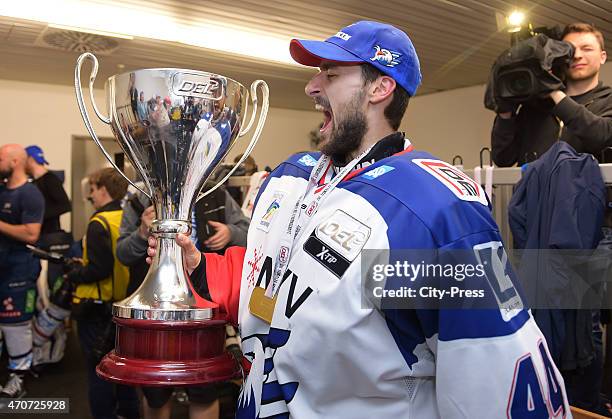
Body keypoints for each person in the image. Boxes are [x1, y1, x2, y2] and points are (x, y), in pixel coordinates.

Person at [146, 21, 573, 417]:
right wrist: (197, 269)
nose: (312, 86)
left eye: (331, 74)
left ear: (381, 88)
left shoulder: (430, 208)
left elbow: (491, 367)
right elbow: (285, 288)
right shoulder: (290, 178)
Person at [116, 183, 248, 419]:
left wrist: (231, 232)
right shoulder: (139, 198)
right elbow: (122, 254)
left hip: (205, 307)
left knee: (205, 389)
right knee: (155, 393)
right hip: (154, 310)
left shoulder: (215, 192)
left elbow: (248, 232)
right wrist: (142, 234)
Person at [65, 167, 139, 419]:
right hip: (124, 306)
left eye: (93, 189)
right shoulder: (128, 217)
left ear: (104, 190)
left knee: (99, 373)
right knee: (125, 370)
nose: (91, 195)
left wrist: (74, 273)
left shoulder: (99, 222)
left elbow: (99, 268)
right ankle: (129, 413)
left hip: (97, 308)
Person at [491, 23, 612, 167]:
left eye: (587, 49)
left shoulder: (608, 100)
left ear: (602, 57)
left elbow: (601, 136)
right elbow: (503, 159)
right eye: (570, 50)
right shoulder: (535, 106)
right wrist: (505, 112)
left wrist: (552, 89)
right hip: (533, 190)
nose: (577, 56)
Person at [0, 144, 44, 397]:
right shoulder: (1, 190)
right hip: (2, 267)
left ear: (16, 161)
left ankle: (19, 379)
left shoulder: (30, 194)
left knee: (15, 325)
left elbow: (31, 233)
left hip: (19, 270)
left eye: (1, 158)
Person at [24, 145, 71, 236]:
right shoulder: (34, 181)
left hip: (48, 234)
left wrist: (37, 215)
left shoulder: (50, 179)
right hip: (37, 234)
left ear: (29, 159)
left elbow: (65, 205)